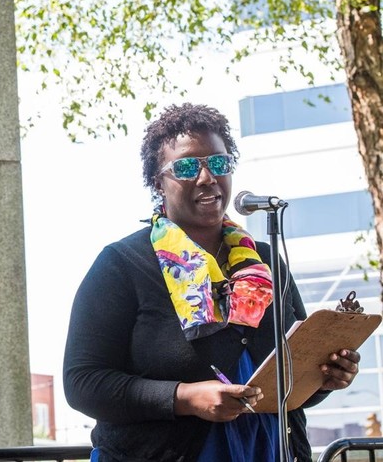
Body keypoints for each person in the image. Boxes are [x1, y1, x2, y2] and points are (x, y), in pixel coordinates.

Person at [63, 104, 360, 461]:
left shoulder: (266, 261)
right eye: (187, 167)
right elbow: (82, 383)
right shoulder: (122, 264)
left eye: (219, 163)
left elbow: (290, 381)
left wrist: (327, 377)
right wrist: (184, 398)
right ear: (158, 182)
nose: (207, 177)